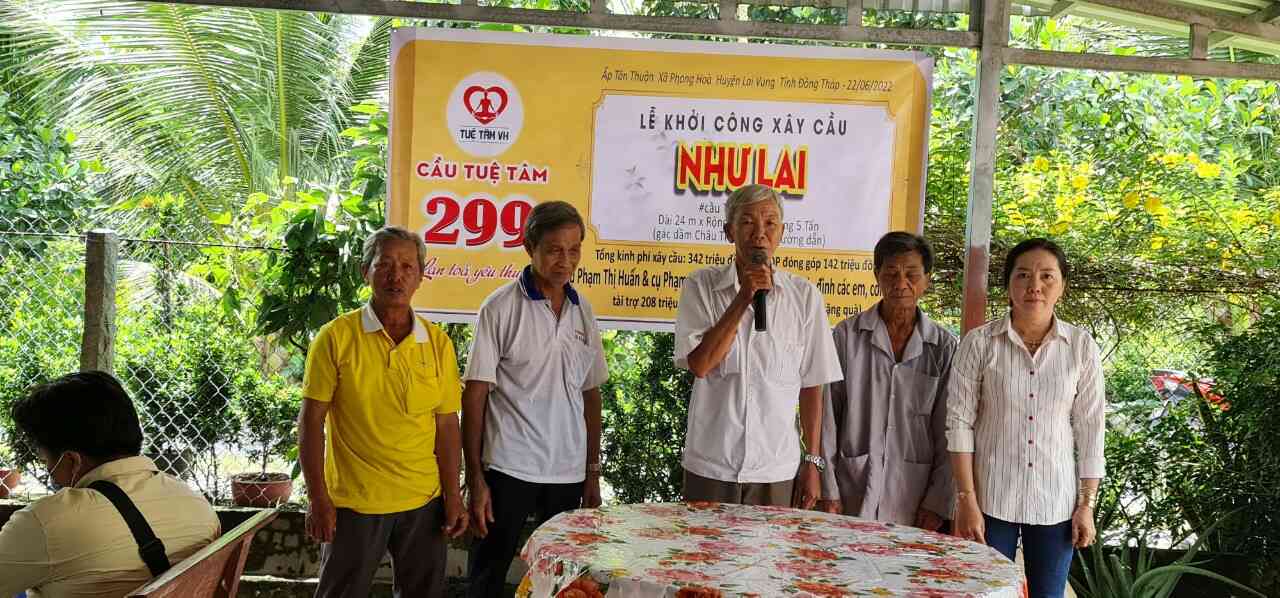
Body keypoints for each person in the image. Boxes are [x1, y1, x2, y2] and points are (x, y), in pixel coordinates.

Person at [299, 226, 468, 598]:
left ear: (421, 277)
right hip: (354, 504)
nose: (397, 276)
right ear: (366, 272)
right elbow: (311, 422)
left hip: (423, 502)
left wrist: (453, 496)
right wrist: (318, 499)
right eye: (385, 264)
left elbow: (447, 426)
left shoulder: (437, 343)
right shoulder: (336, 337)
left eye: (408, 267)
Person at [462, 201, 608, 598]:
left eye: (574, 250)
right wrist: (474, 477)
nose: (565, 260)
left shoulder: (582, 311)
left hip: (567, 472)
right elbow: (475, 394)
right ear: (530, 247)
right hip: (508, 466)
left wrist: (592, 472)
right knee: (487, 576)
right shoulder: (500, 307)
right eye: (554, 249)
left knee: (561, 582)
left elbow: (590, 394)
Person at [947, 238, 1105, 598]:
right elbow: (958, 424)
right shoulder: (979, 343)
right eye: (1023, 275)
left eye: (1047, 276)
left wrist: (1086, 505)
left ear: (1062, 286)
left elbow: (1091, 429)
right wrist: (966, 499)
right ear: (1008, 286)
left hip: (1055, 502)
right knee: (986, 593)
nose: (1035, 285)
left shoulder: (1081, 347)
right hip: (990, 498)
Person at [673, 184, 842, 508]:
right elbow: (700, 364)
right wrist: (743, 298)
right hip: (712, 464)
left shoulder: (804, 297)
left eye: (770, 223)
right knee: (705, 544)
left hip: (776, 468)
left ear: (782, 233)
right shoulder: (701, 286)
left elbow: (812, 386)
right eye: (748, 222)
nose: (759, 233)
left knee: (772, 544)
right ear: (729, 231)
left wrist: (812, 460)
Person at [0, 371, 220, 598]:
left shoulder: (45, 522)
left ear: (72, 461)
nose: (49, 470)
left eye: (45, 459)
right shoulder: (196, 504)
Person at [818, 232, 955, 529]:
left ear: (927, 280)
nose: (900, 283)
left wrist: (938, 500)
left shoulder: (943, 347)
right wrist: (828, 488)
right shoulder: (846, 337)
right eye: (891, 273)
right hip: (853, 489)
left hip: (916, 496)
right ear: (876, 276)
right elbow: (827, 418)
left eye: (911, 274)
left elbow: (949, 429)